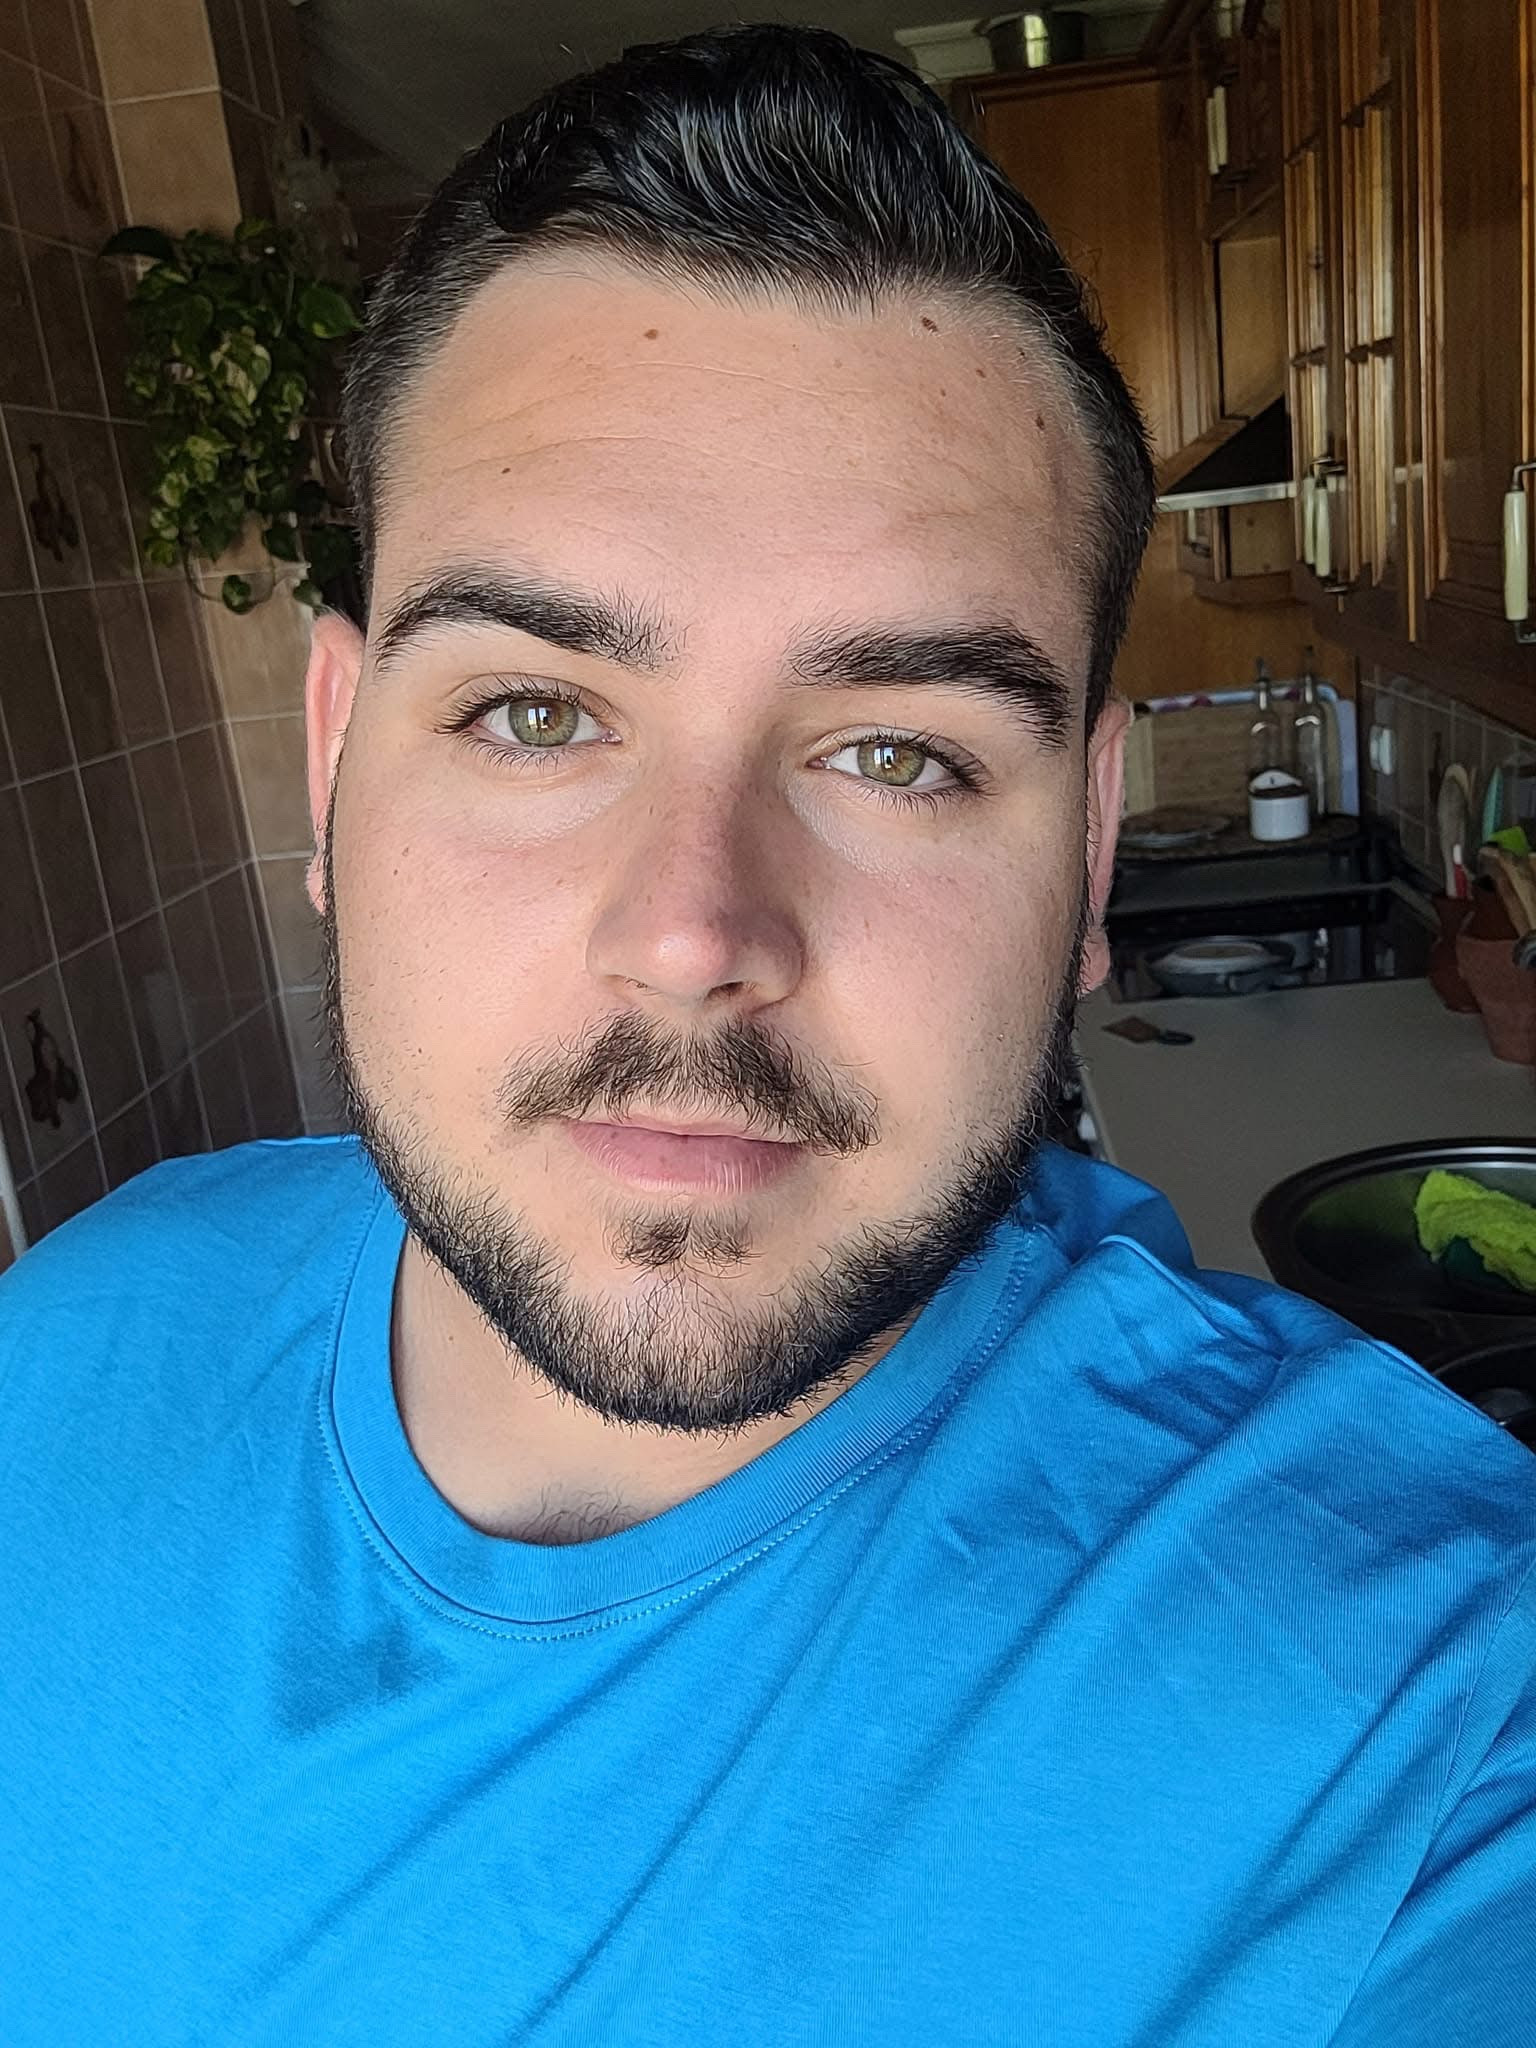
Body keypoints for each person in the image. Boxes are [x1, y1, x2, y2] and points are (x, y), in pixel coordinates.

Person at [1, 25, 1532, 2045]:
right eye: (535, 713)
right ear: (336, 758)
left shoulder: (1422, 1730)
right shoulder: (61, 1351)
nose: (693, 936)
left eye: (899, 752)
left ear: (1087, 854)